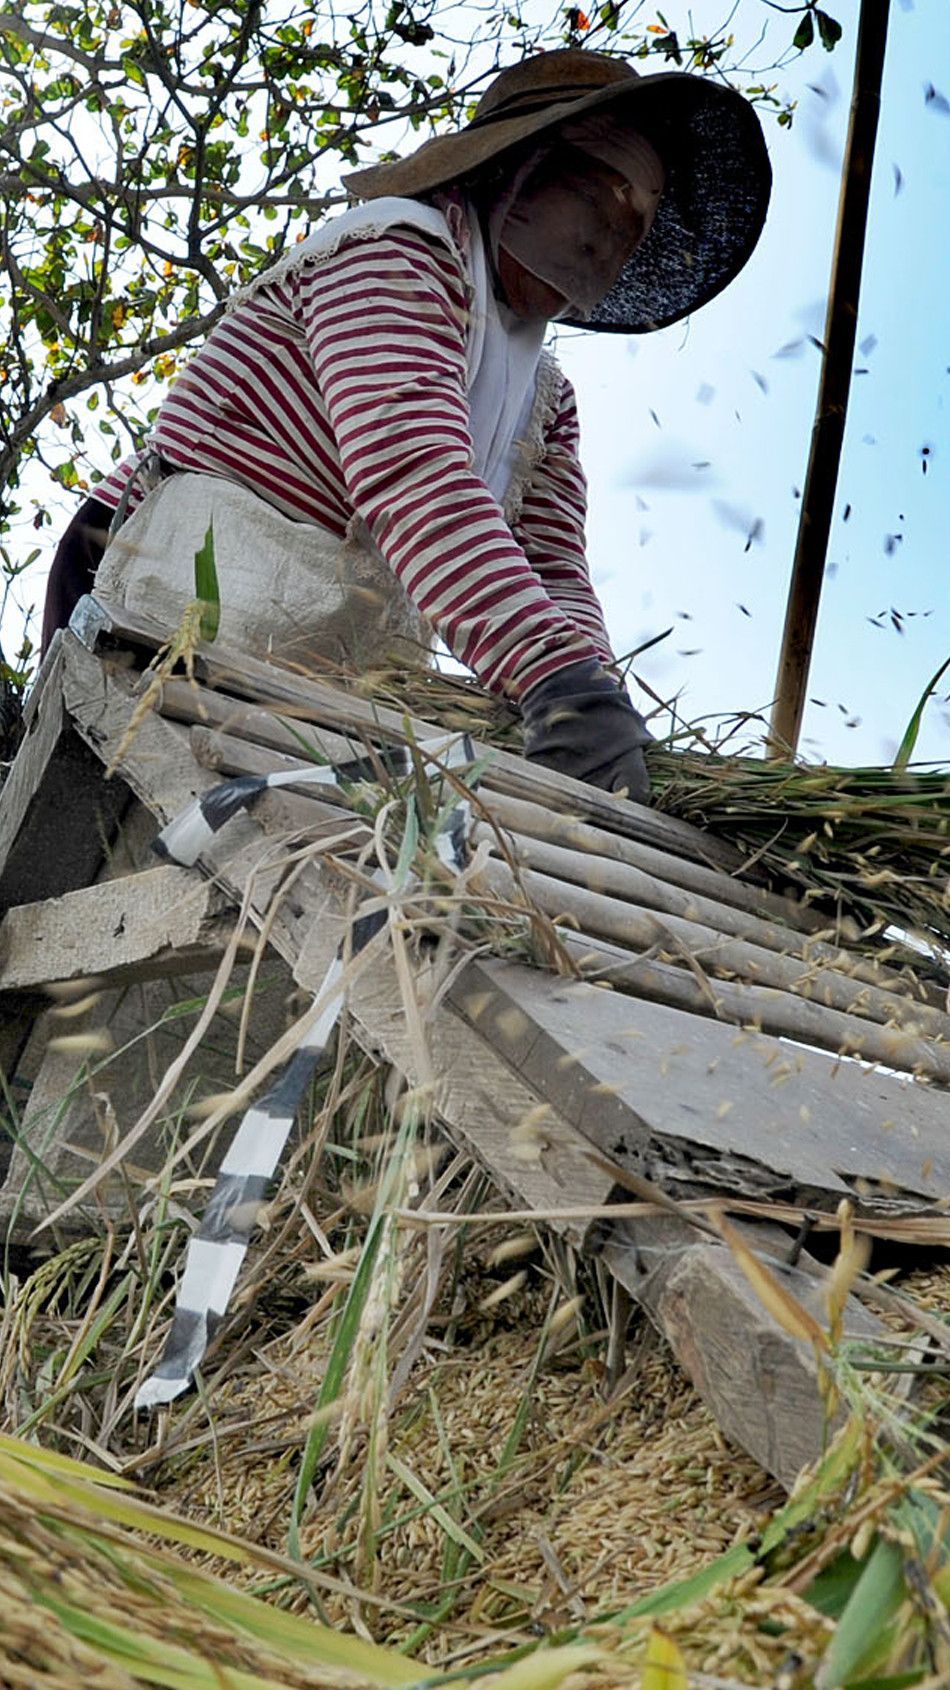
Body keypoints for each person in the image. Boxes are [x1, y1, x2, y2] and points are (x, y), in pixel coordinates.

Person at [41, 48, 770, 804]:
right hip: (182, 589)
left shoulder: (545, 398)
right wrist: (549, 676)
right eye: (605, 193)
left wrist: (598, 704)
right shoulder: (393, 251)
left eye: (640, 220)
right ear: (522, 171)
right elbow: (413, 473)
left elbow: (555, 573)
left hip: (333, 657)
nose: (616, 234)